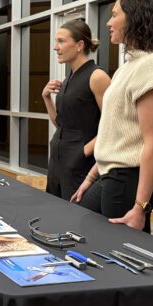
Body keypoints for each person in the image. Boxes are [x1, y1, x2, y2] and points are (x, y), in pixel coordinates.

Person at [70, 0, 153, 234]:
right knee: (84, 229)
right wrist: (91, 178)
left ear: (135, 17)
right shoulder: (131, 65)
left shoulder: (152, 67)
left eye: (114, 15)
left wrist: (140, 207)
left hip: (130, 177)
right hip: (114, 173)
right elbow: (118, 133)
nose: (109, 22)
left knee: (115, 254)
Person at [42, 18, 110, 200]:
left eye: (61, 41)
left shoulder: (97, 76)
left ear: (79, 45)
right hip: (58, 159)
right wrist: (46, 98)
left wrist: (83, 151)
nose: (56, 47)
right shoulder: (69, 78)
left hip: (80, 162)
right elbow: (62, 124)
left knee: (77, 219)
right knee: (55, 213)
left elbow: (112, 125)